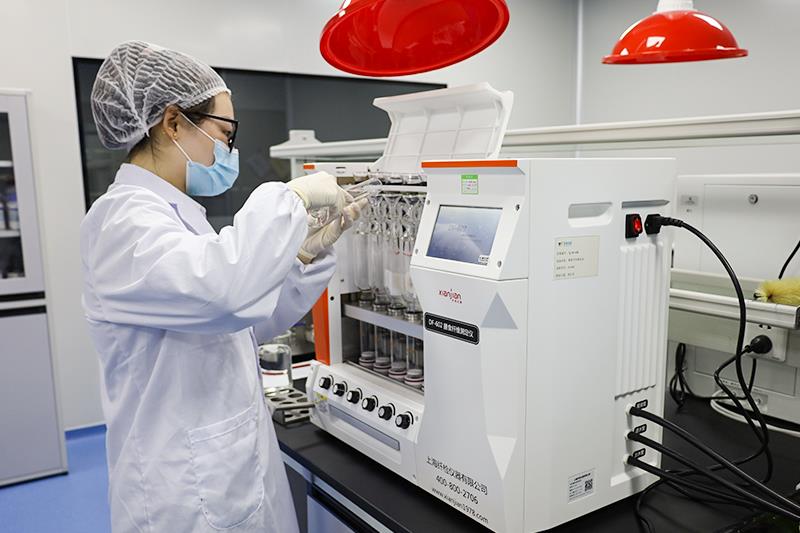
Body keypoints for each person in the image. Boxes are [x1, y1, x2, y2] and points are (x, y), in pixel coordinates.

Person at [80, 41, 363, 533]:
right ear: (173, 122)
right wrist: (291, 196)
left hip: (223, 461)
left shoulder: (176, 216)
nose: (230, 150)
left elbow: (239, 320)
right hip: (179, 489)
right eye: (225, 132)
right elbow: (225, 292)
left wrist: (300, 259)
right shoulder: (122, 223)